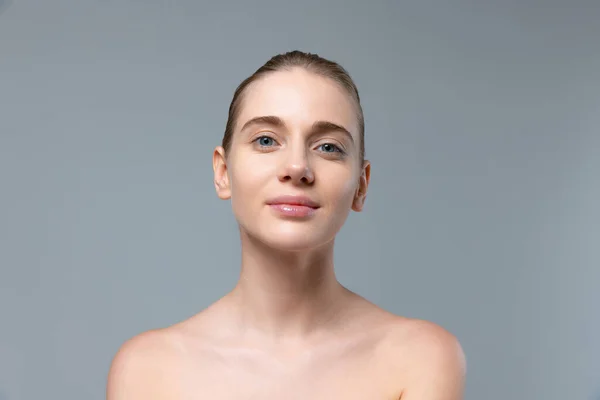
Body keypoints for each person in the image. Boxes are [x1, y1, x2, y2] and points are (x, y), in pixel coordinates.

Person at [106, 50, 466, 399]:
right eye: (266, 140)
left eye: (328, 147)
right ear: (223, 172)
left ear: (361, 185)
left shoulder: (419, 359)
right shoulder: (147, 370)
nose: (297, 167)